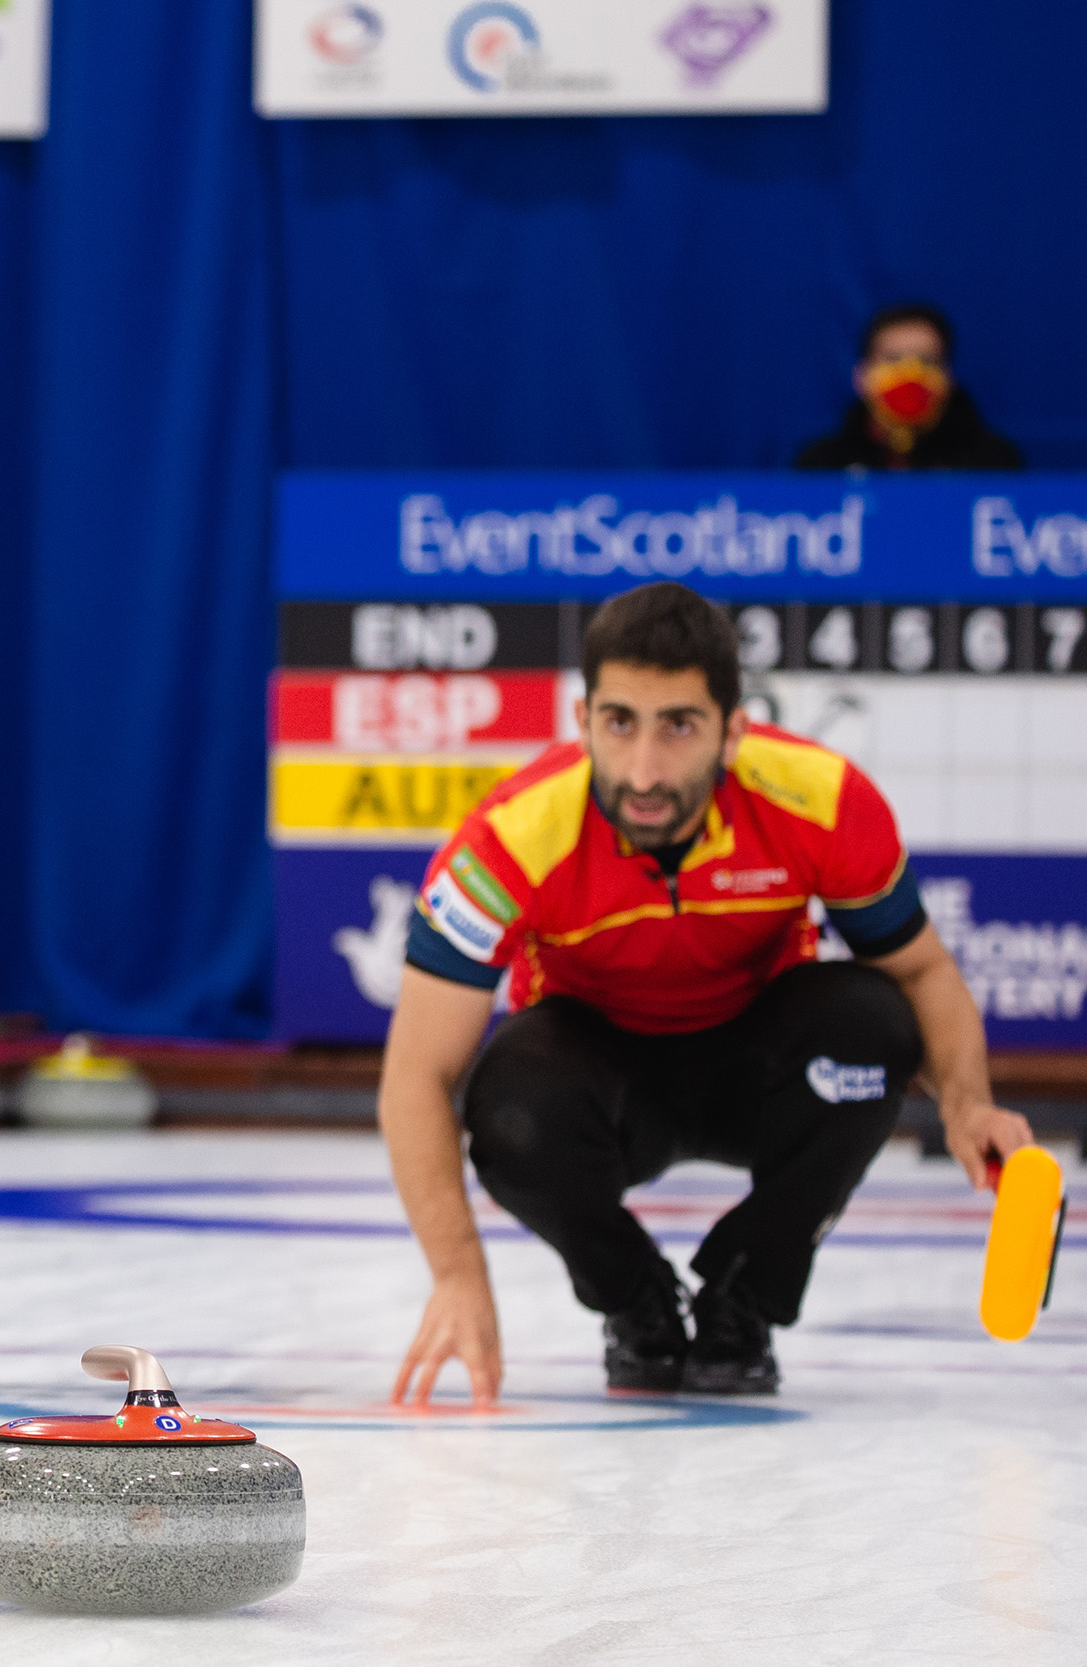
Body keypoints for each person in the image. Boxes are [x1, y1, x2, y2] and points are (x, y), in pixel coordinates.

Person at [379, 582, 1031, 1406]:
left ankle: (743, 1301)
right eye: (620, 722)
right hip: (604, 1081)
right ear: (581, 723)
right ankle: (634, 1299)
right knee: (510, 1108)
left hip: (753, 1070)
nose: (645, 770)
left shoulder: (822, 799)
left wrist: (969, 1104)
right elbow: (414, 1077)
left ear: (734, 731)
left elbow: (924, 973)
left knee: (874, 1024)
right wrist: (458, 1277)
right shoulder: (507, 840)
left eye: (679, 725)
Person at [793, 303, 1023, 471]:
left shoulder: (991, 465)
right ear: (861, 376)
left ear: (948, 378)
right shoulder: (822, 465)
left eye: (926, 361)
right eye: (893, 359)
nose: (910, 375)